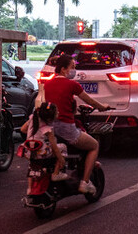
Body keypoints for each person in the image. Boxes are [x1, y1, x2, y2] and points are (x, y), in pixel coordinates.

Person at [43, 52, 112, 195]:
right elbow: (90, 101)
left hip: (51, 128)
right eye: (72, 67)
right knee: (94, 145)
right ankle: (85, 182)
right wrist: (102, 107)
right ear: (63, 69)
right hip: (67, 129)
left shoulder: (48, 84)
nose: (74, 70)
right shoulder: (72, 84)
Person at [20, 102, 69, 182]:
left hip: (28, 152)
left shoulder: (33, 118)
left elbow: (22, 129)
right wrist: (61, 160)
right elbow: (55, 148)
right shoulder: (47, 129)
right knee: (63, 147)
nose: (58, 113)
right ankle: (56, 174)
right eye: (57, 112)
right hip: (40, 153)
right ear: (49, 119)